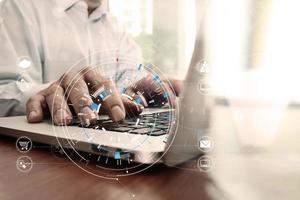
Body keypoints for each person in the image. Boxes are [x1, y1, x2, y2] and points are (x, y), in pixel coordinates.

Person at [0, 0, 181, 125]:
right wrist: (52, 97)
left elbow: (129, 81)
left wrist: (140, 90)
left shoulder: (115, 26)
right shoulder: (21, 7)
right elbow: (4, 92)